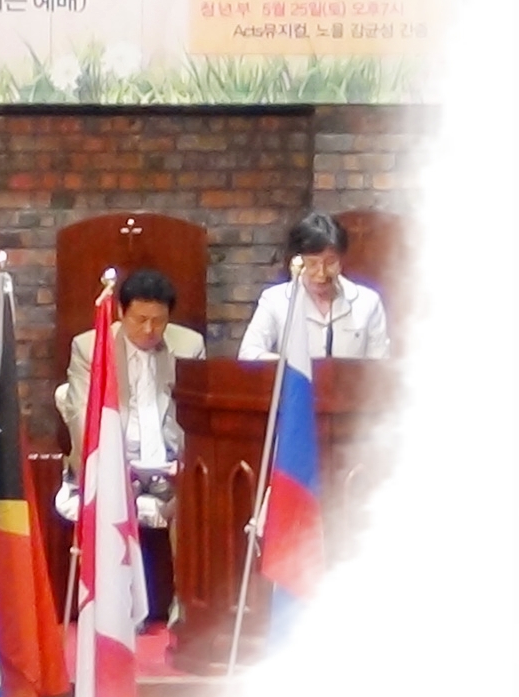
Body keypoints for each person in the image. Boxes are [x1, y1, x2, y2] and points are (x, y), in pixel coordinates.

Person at [56, 266, 202, 628]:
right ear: (122, 313)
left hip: (169, 461)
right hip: (114, 457)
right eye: (140, 320)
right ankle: (121, 605)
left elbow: (196, 417)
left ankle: (185, 601)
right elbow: (82, 418)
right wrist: (111, 464)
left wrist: (186, 463)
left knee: (197, 498)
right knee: (113, 495)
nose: (150, 330)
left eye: (159, 321)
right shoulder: (90, 346)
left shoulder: (189, 346)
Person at [238, 211, 390, 360]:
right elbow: (248, 353)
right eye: (312, 263)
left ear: (341, 260)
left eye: (330, 262)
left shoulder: (368, 302)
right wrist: (290, 367)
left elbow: (380, 365)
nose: (321, 273)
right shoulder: (275, 300)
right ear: (297, 261)